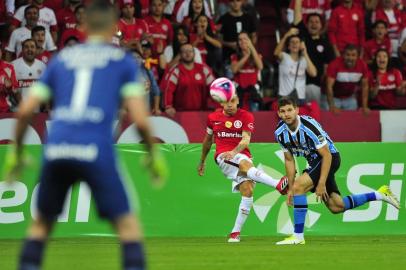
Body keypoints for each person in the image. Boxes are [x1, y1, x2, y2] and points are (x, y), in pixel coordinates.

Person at [3, 1, 167, 270]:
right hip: (96, 149)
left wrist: (17, 154)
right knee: (127, 225)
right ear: (114, 27)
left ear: (84, 26)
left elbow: (24, 112)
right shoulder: (122, 62)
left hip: (57, 149)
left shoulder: (61, 61)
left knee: (41, 225)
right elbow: (139, 118)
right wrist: (153, 155)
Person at [274, 96, 400, 245]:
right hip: (314, 161)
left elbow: (326, 154)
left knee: (299, 187)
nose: (287, 114)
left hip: (330, 158)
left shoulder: (308, 126)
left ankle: (298, 236)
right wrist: (289, 187)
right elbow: (289, 160)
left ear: (297, 110)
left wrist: (321, 184)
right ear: (279, 113)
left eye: (290, 110)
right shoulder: (280, 132)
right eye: (283, 111)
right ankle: (380, 194)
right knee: (336, 206)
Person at [197, 92, 289, 243]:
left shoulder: (246, 116)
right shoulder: (213, 118)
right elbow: (207, 141)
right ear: (221, 103)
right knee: (244, 165)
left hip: (241, 154)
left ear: (238, 100)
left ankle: (235, 233)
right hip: (222, 156)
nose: (230, 104)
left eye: (233, 100)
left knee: (248, 190)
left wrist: (234, 152)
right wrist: (202, 161)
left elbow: (246, 140)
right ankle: (277, 184)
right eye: (226, 102)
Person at [293, 0, 336, 105]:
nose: (314, 24)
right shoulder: (302, 37)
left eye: (317, 22)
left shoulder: (326, 44)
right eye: (311, 22)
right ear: (306, 25)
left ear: (321, 25)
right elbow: (297, 15)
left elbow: (328, 69)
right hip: (299, 85)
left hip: (316, 87)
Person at [160, 43, 214, 116]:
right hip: (180, 114)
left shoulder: (203, 69)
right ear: (180, 55)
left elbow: (214, 88)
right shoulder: (176, 71)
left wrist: (218, 106)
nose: (187, 53)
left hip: (201, 113)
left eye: (190, 51)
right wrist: (168, 106)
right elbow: (168, 90)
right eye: (184, 51)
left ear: (194, 54)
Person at [274, 28, 317, 105]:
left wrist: (305, 53)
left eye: (297, 42)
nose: (294, 44)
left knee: (298, 117)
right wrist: (286, 35)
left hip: (300, 98)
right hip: (285, 97)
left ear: (300, 45)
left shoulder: (304, 59)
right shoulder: (284, 56)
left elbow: (313, 73)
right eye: (292, 42)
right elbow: (276, 53)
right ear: (288, 46)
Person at [324, 44, 370, 113]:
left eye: (353, 55)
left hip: (349, 98)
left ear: (358, 56)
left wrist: (364, 106)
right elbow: (329, 87)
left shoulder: (362, 65)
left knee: (351, 119)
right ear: (343, 55)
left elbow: (365, 87)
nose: (350, 58)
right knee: (330, 116)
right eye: (348, 55)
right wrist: (332, 106)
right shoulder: (334, 64)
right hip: (333, 97)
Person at [231, 31, 263, 111]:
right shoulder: (234, 56)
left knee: (255, 118)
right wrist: (246, 56)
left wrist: (251, 48)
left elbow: (260, 66)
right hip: (239, 94)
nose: (242, 41)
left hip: (253, 94)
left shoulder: (257, 55)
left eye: (245, 39)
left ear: (250, 40)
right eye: (240, 40)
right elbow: (234, 70)